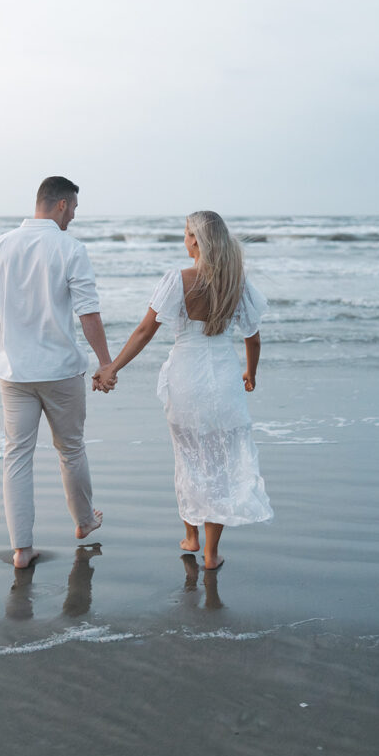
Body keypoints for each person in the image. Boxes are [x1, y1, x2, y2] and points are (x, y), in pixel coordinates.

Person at [94, 211, 273, 569]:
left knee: (189, 457)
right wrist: (250, 374)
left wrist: (112, 367)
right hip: (223, 378)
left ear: (196, 241)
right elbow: (252, 339)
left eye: (187, 233)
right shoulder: (238, 283)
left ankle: (191, 536)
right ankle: (210, 553)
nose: (184, 239)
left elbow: (145, 331)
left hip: (186, 379)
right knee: (219, 463)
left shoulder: (178, 280)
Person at [0, 176, 114, 569]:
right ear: (60, 205)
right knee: (70, 449)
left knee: (16, 455)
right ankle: (84, 523)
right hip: (60, 371)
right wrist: (105, 363)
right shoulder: (70, 248)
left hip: (13, 372)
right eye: (72, 209)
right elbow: (88, 312)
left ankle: (21, 550)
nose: (72, 217)